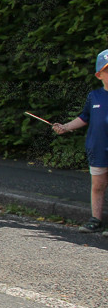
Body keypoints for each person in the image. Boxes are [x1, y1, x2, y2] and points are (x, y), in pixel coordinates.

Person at [53, 49, 108, 234]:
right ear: (99, 75)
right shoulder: (94, 96)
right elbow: (84, 117)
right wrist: (66, 127)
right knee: (98, 185)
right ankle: (96, 220)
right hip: (98, 148)